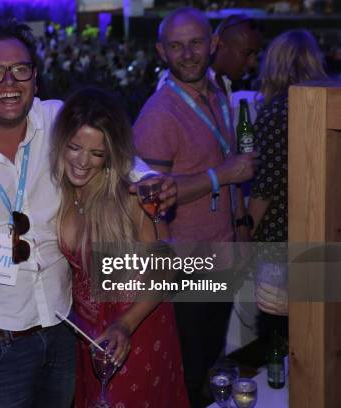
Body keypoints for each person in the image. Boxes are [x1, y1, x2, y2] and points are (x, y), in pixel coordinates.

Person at [0, 20, 177, 408]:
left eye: (19, 69)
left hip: (63, 328)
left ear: (34, 78)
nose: (8, 81)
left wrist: (151, 178)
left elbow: (109, 146)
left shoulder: (55, 119)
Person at [133, 8, 259, 407]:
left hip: (221, 249)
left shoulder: (217, 94)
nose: (188, 54)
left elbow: (233, 165)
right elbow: (150, 197)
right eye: (176, 46)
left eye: (196, 43)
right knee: (187, 371)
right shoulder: (158, 114)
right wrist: (222, 175)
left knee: (210, 363)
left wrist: (240, 223)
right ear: (161, 51)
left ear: (213, 44)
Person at [51, 87, 190, 408]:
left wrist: (125, 325)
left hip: (136, 328)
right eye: (73, 147)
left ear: (110, 155)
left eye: (96, 154)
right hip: (89, 335)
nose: (82, 162)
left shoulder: (133, 198)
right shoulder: (61, 192)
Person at [249, 29, 328, 316]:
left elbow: (265, 186)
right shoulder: (327, 108)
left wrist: (244, 231)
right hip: (320, 229)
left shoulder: (277, 113)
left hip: (279, 239)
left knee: (280, 326)